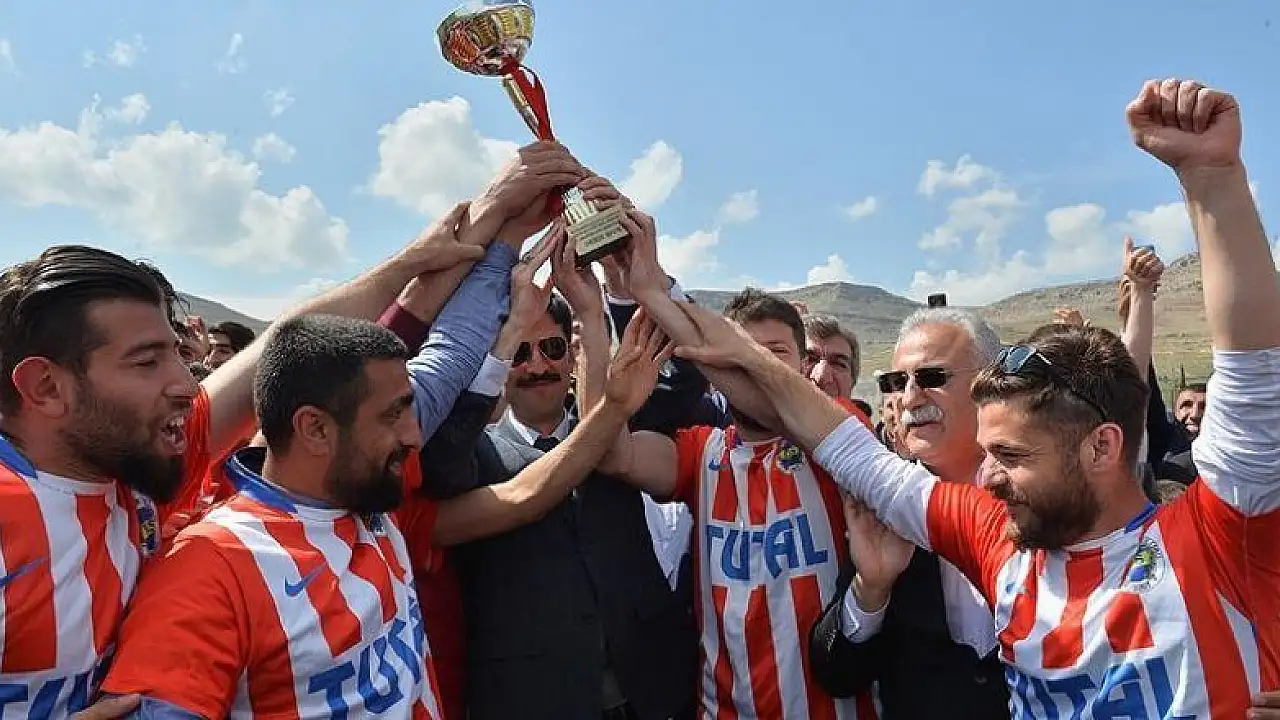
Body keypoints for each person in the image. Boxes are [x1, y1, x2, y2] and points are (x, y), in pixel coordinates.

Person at [670, 78, 1279, 718]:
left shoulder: (1216, 540)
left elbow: (1253, 373)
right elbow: (837, 439)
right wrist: (686, 314)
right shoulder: (997, 538)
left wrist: (1213, 178)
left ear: (1102, 446)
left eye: (1011, 456)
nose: (988, 476)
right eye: (990, 452)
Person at [99, 311, 673, 718]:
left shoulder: (380, 514)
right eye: (394, 414)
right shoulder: (208, 568)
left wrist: (613, 404)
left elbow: (524, 495)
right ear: (315, 429)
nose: (414, 433)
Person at [588, 209, 877, 718]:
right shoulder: (702, 451)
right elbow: (611, 453)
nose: (753, 363)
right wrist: (592, 316)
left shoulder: (837, 433)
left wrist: (654, 290)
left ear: (801, 365)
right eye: (743, 350)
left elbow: (768, 396)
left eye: (775, 353)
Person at [810, 308, 1010, 719]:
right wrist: (871, 589)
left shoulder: (1043, 497)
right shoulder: (879, 511)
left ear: (991, 383)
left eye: (932, 377)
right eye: (896, 383)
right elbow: (838, 675)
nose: (910, 397)